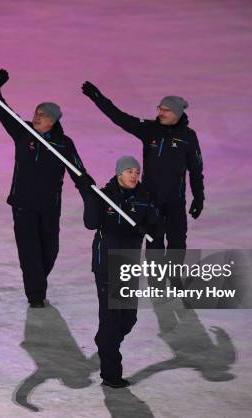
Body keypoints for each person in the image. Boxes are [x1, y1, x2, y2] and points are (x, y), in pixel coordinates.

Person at [0, 69, 88, 308]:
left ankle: (37, 282)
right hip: (23, 205)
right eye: (36, 113)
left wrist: (91, 194)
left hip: (50, 207)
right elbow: (2, 110)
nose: (36, 117)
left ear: (53, 120)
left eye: (42, 115)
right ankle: (36, 296)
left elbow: (79, 172)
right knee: (29, 252)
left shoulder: (63, 144)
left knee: (49, 251)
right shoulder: (23, 133)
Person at [81, 82, 204, 273]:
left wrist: (199, 198)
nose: (160, 113)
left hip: (175, 202)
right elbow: (120, 118)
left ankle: (173, 279)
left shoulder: (188, 137)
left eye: (166, 110)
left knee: (177, 243)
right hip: (151, 201)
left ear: (177, 114)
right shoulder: (150, 130)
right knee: (153, 243)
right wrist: (97, 97)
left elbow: (196, 169)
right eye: (159, 108)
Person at [78, 156, 162, 388]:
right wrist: (89, 196)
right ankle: (111, 374)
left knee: (129, 318)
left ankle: (105, 341)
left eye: (137, 171)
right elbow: (91, 223)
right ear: (118, 174)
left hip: (129, 264)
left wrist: (149, 229)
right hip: (106, 264)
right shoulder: (104, 196)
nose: (134, 175)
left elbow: (155, 225)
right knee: (111, 319)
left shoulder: (144, 198)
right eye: (129, 171)